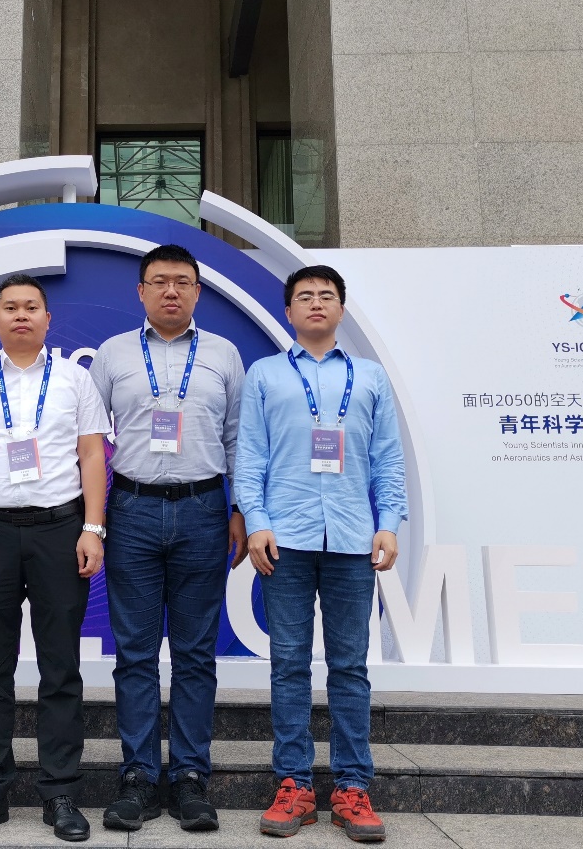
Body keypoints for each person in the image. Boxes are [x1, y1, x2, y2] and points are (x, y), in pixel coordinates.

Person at [234, 265, 406, 843]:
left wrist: (389, 525)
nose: (315, 303)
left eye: (326, 295)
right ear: (288, 311)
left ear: (340, 309)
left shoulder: (370, 377)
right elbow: (250, 457)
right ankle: (295, 786)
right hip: (283, 541)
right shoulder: (265, 374)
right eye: (304, 296)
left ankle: (353, 788)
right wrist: (257, 523)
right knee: (288, 666)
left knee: (350, 667)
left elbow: (387, 458)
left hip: (353, 541)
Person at [0, 274, 110, 843]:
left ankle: (60, 792)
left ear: (47, 319)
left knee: (60, 668)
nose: (20, 315)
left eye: (31, 307)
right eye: (9, 307)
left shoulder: (75, 380)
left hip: (61, 530)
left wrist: (92, 529)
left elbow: (92, 456)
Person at [88, 244, 246, 832]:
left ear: (198, 291)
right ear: (141, 292)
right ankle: (137, 776)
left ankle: (189, 778)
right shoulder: (112, 354)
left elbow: (237, 439)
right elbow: (88, 441)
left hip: (204, 509)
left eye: (182, 281)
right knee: (134, 652)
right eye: (159, 281)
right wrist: (93, 521)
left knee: (195, 652)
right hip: (132, 509)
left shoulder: (224, 355)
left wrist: (239, 510)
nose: (171, 291)